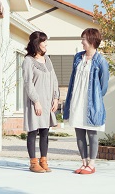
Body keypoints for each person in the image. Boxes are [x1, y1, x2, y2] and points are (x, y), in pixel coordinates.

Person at [62, 28, 110, 175]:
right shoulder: (77, 57)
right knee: (79, 132)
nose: (82, 42)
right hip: (77, 99)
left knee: (92, 133)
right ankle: (83, 162)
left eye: (84, 39)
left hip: (91, 103)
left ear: (91, 40)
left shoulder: (101, 61)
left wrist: (94, 98)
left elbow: (104, 85)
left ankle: (92, 163)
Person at [22, 31, 60, 173]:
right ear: (36, 43)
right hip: (35, 102)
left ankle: (43, 160)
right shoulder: (28, 61)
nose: (46, 44)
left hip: (48, 101)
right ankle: (33, 163)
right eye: (43, 42)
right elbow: (28, 83)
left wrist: (56, 98)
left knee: (45, 131)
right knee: (33, 132)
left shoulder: (47, 60)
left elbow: (54, 79)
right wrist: (36, 101)